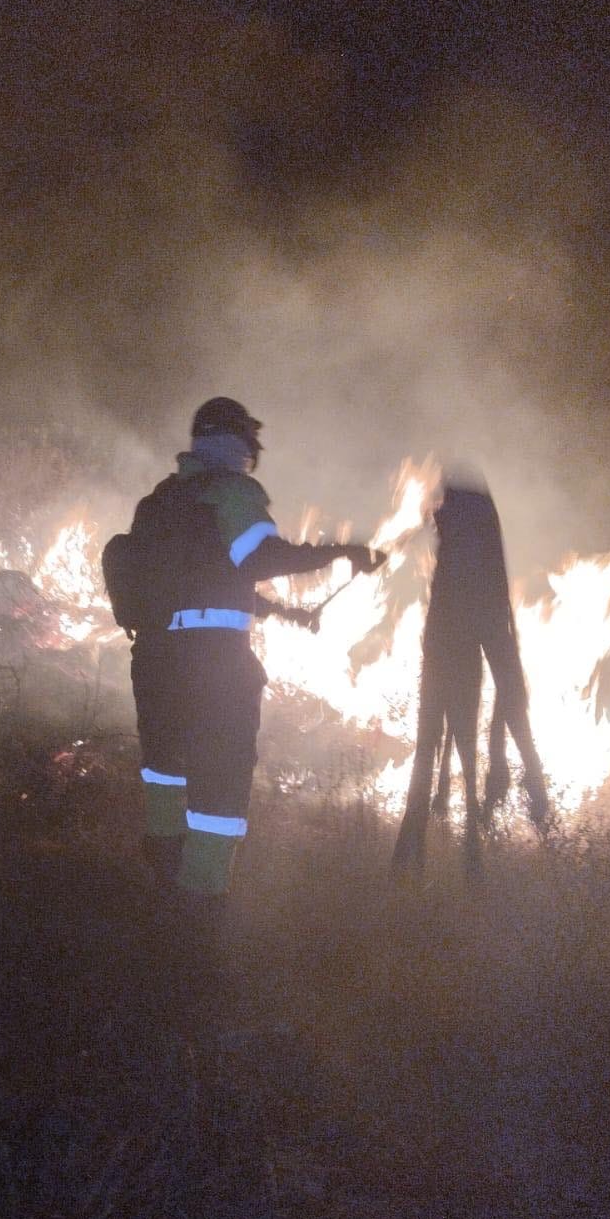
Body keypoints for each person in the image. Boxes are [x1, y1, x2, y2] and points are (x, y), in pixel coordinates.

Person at [124, 396, 384, 927]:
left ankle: (160, 889)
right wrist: (341, 552)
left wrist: (282, 614)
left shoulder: (159, 502)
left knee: (165, 771)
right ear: (239, 447)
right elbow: (263, 557)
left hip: (154, 664)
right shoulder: (231, 493)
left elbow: (202, 578)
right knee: (219, 788)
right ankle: (198, 912)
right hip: (212, 670)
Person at [393, 478, 547, 873]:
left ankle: (429, 855)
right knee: (442, 754)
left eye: (444, 509)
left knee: (443, 752)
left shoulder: (466, 574)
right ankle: (443, 854)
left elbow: (503, 666)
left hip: (453, 672)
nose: (437, 515)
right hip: (451, 670)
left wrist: (526, 764)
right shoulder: (476, 570)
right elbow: (505, 663)